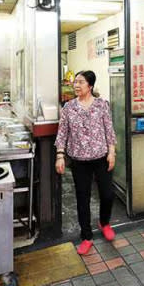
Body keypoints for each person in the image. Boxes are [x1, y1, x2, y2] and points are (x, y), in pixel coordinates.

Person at [55, 70, 116, 255]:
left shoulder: (101, 105)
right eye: (75, 82)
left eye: (80, 82)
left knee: (107, 194)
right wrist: (60, 155)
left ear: (90, 86)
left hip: (101, 158)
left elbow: (109, 130)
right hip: (79, 160)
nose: (76, 85)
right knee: (83, 198)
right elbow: (62, 133)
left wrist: (111, 152)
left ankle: (104, 222)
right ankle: (86, 236)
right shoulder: (68, 108)